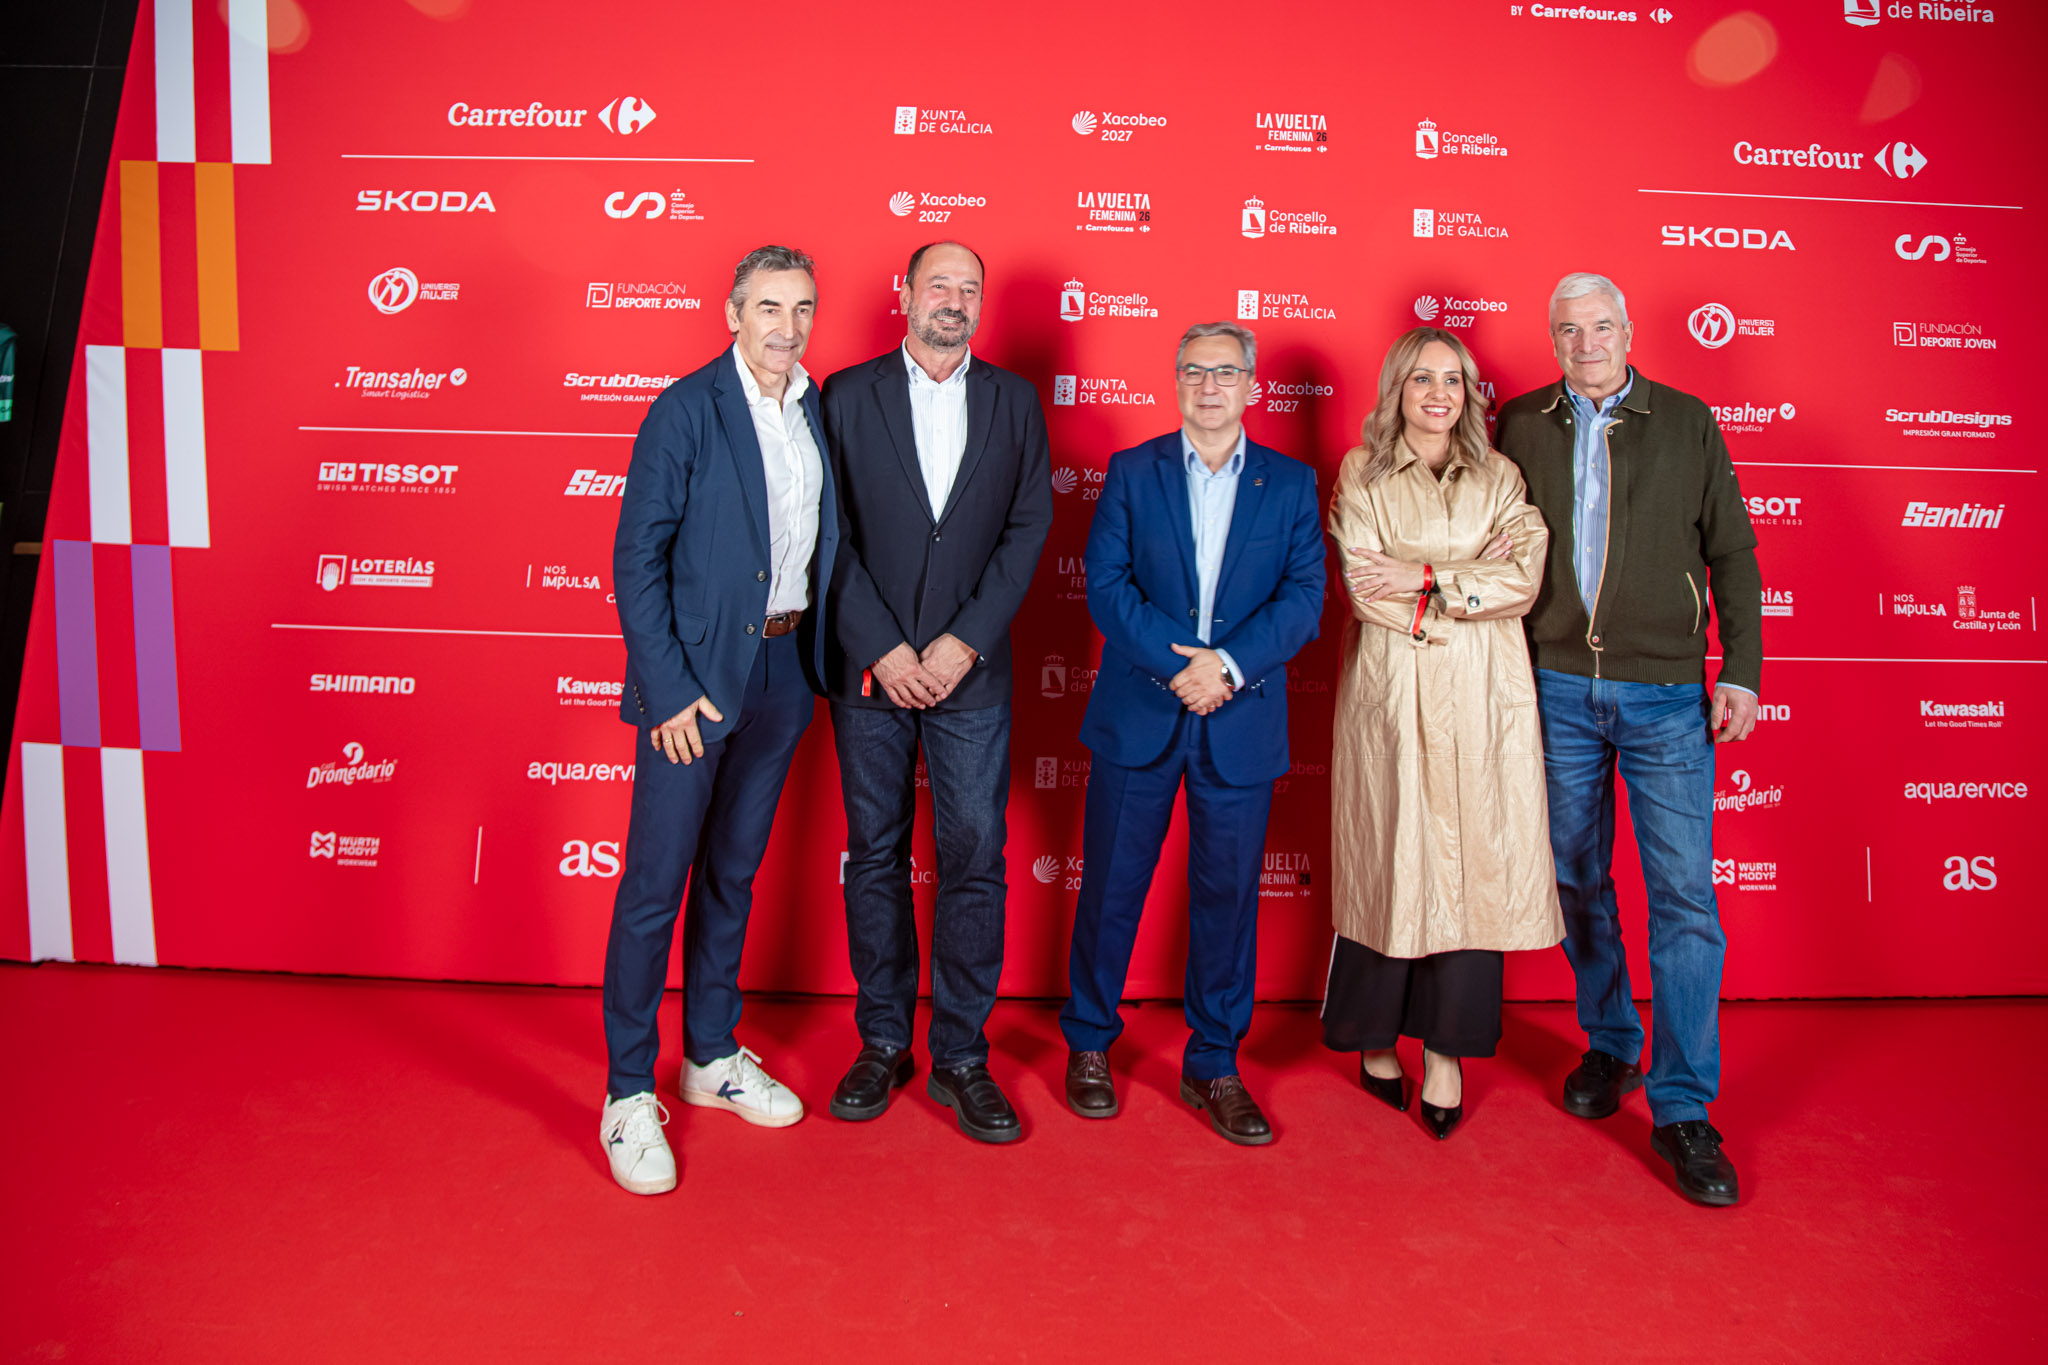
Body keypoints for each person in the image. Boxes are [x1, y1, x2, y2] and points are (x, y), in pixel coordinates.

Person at [1497, 271, 1761, 1207]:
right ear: (1553, 336)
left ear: (1628, 330)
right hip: (1558, 685)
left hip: (1663, 697)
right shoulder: (1522, 422)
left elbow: (1731, 548)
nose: (1586, 342)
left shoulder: (1687, 420)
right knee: (1576, 875)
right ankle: (1612, 1043)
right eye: (1568, 329)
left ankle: (1685, 1106)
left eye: (1601, 325)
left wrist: (1740, 670)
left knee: (1685, 896)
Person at [598, 246, 838, 1195]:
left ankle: (707, 1054)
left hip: (783, 669)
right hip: (694, 682)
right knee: (657, 883)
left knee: (733, 874)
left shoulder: (813, 408)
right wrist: (667, 689)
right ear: (733, 311)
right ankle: (626, 1092)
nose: (787, 326)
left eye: (803, 308)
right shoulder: (685, 408)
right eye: (769, 307)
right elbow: (635, 558)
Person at [1058, 322, 1325, 1146]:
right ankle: (1091, 1043)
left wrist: (1229, 666)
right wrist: (1180, 667)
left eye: (1226, 372)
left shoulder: (1289, 483)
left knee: (1227, 899)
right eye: (1195, 371)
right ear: (1176, 381)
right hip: (1142, 710)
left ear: (1252, 386)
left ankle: (1215, 1060)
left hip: (1238, 720)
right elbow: (1107, 587)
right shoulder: (1135, 472)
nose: (1210, 385)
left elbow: (1305, 597)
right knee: (1109, 887)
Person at [820, 242, 1053, 1143]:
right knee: (873, 853)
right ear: (903, 295)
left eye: (969, 288)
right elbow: (826, 535)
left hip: (971, 674)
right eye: (938, 285)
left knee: (975, 859)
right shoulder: (843, 395)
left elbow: (1028, 526)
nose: (953, 301)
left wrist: (959, 644)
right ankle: (883, 1039)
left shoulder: (1015, 401)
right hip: (869, 670)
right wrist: (884, 645)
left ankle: (960, 1052)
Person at [1322, 327, 1562, 1141]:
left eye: (1453, 380)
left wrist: (1424, 574)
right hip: (1390, 696)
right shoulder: (1363, 472)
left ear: (1469, 394)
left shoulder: (1500, 476)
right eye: (1422, 378)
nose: (1438, 393)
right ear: (1397, 387)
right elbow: (1363, 586)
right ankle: (1378, 1039)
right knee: (1393, 857)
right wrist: (1466, 585)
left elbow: (1523, 577)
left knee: (1469, 870)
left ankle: (1450, 1053)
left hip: (1483, 697)